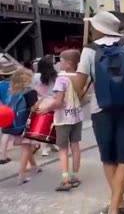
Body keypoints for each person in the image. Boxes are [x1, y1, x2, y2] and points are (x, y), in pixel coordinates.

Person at [73, 11, 124, 214]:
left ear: (98, 28)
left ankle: (115, 206)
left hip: (100, 110)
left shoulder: (89, 50)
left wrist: (79, 84)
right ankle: (116, 205)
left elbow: (79, 83)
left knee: (108, 158)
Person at [37, 50, 84, 192]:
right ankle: (75, 176)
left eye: (61, 61)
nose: (59, 64)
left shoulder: (61, 79)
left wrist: (46, 109)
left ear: (68, 63)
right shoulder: (79, 77)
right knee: (75, 146)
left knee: (63, 149)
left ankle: (65, 179)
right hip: (77, 115)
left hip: (63, 118)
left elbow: (58, 102)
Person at [6, 68, 42, 184]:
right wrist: (41, 102)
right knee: (26, 148)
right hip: (27, 123)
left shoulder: (13, 92)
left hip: (16, 124)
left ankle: (35, 166)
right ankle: (21, 175)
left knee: (26, 145)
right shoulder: (30, 92)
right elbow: (34, 108)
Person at [33, 55, 59, 157]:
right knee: (53, 125)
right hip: (53, 101)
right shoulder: (55, 76)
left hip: (41, 101)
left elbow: (33, 89)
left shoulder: (36, 77)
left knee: (43, 126)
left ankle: (44, 149)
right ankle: (52, 144)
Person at [0, 58, 19, 164]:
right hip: (17, 109)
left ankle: (3, 154)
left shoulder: (0, 85)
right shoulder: (17, 84)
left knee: (6, 132)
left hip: (5, 111)